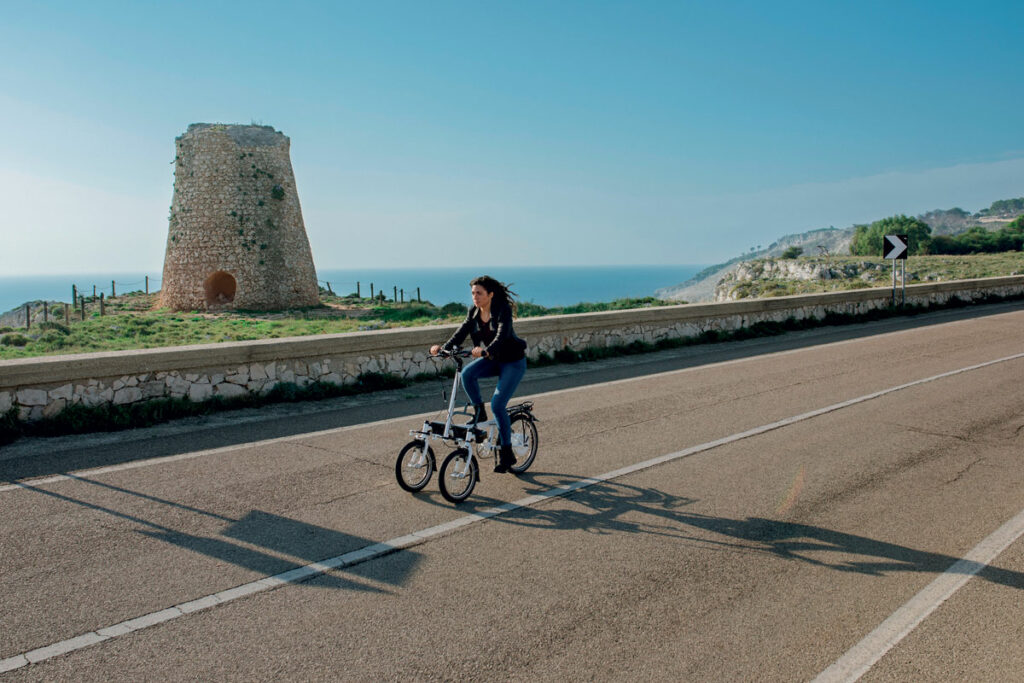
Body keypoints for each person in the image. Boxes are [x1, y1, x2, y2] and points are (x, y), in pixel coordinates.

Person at [430, 276, 528, 473]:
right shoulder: (474, 312)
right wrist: (444, 349)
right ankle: (479, 412)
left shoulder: (502, 310)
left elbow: (502, 335)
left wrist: (486, 350)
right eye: (473, 293)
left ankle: (507, 453)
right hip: (493, 359)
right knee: (467, 374)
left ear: (490, 294)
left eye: (479, 293)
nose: (475, 297)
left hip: (513, 362)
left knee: (498, 404)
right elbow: (461, 331)